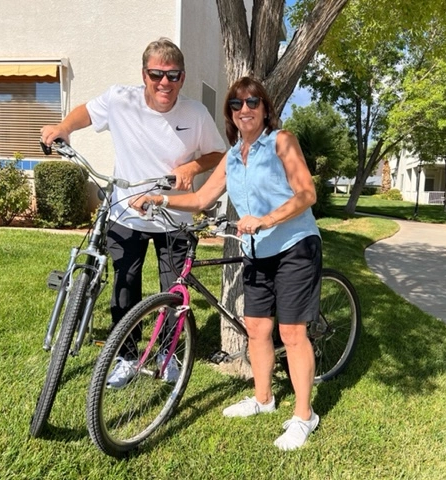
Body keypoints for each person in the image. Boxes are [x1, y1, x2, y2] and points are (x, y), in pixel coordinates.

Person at [130, 76, 322, 451]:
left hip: (295, 246)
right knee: (256, 328)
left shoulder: (282, 142)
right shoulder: (233, 156)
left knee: (292, 333)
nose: (244, 109)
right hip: (256, 251)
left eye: (252, 103)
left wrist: (267, 219)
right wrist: (161, 199)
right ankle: (264, 399)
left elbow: (307, 193)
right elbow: (201, 197)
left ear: (265, 109)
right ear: (230, 114)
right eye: (236, 105)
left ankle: (304, 416)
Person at [41, 38, 226, 387]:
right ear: (144, 74)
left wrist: (192, 166)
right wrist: (63, 128)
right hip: (126, 215)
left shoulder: (195, 113)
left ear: (182, 78)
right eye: (156, 74)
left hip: (174, 217)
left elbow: (218, 155)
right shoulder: (120, 99)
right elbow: (87, 112)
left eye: (173, 76)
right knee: (125, 286)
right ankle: (126, 356)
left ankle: (168, 355)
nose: (164, 83)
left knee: (174, 291)